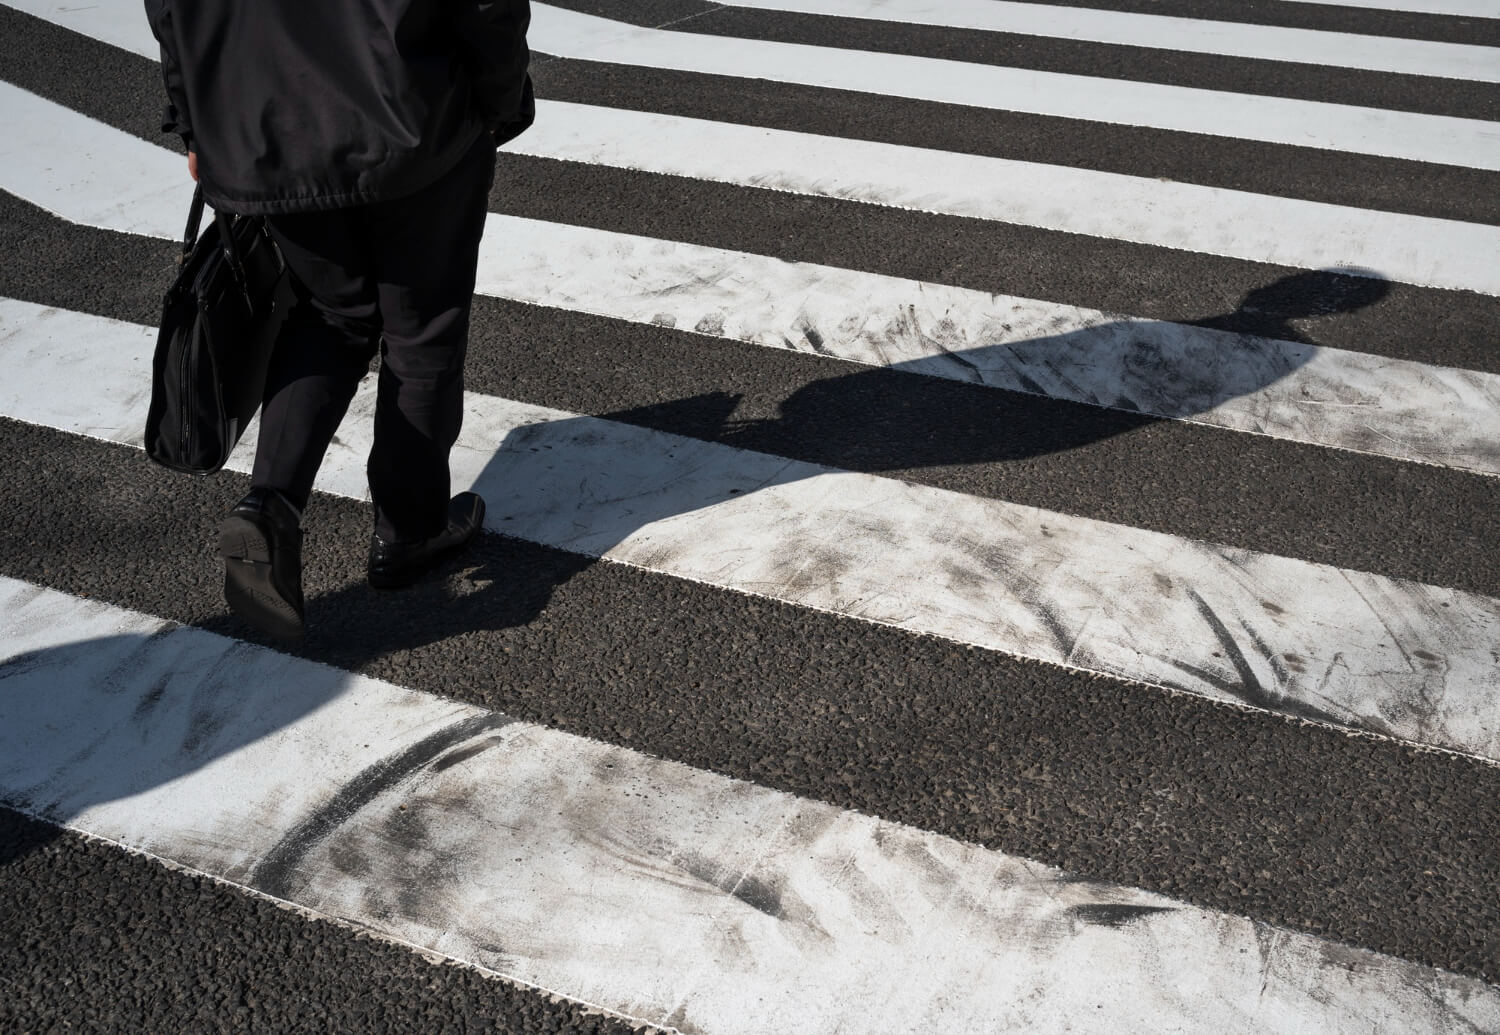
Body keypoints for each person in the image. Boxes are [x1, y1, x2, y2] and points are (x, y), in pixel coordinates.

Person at [145, 0, 534, 643]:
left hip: (262, 126)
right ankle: (409, 531)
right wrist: (499, 96)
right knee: (421, 330)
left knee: (332, 315)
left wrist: (193, 122)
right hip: (411, 115)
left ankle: (270, 505)